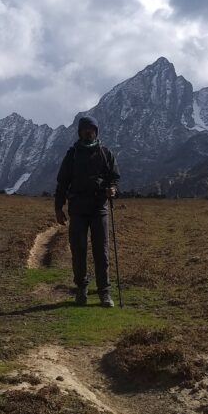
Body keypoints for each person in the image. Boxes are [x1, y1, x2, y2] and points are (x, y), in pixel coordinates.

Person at [54, 116, 120, 307]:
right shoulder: (72, 155)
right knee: (78, 250)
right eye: (85, 129)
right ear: (80, 132)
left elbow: (114, 178)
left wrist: (113, 190)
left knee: (102, 252)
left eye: (92, 129)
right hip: (77, 209)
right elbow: (62, 182)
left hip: (99, 208)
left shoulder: (105, 154)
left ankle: (104, 293)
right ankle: (81, 290)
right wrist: (58, 207)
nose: (88, 132)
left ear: (96, 132)